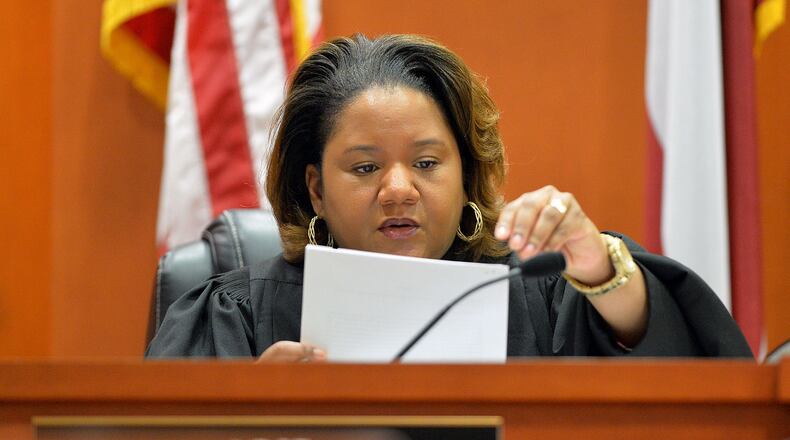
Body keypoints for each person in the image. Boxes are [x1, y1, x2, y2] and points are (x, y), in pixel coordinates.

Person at [146, 34, 752, 361]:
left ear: (466, 176)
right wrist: (248, 419)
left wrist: (600, 270)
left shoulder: (542, 292)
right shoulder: (236, 316)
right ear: (316, 190)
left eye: (427, 163)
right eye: (365, 167)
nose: (399, 190)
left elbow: (678, 370)